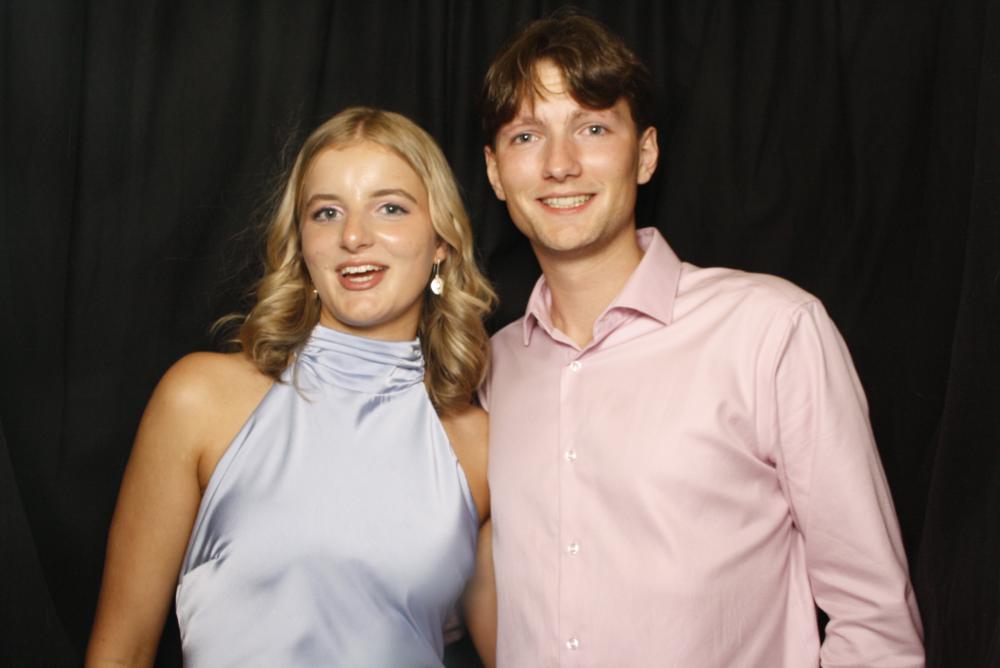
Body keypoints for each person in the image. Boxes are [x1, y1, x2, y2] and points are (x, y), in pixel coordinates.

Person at [477, 10, 924, 667]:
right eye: (526, 136)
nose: (560, 164)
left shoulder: (770, 332)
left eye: (592, 128)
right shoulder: (492, 371)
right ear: (495, 173)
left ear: (645, 154)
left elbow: (876, 623)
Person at [86, 107, 497, 667]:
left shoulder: (477, 445)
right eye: (327, 212)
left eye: (390, 208)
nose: (354, 236)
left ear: (441, 240)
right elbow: (121, 651)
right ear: (302, 243)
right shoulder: (200, 400)